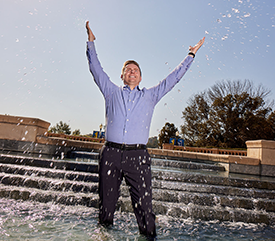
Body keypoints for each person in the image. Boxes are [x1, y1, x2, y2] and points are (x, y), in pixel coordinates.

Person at [86, 21, 204, 240]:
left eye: (136, 70)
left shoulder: (150, 95)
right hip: (110, 154)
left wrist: (190, 55)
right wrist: (91, 42)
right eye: (128, 69)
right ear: (122, 76)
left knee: (144, 206)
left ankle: (149, 237)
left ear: (140, 77)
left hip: (138, 156)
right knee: (106, 205)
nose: (132, 72)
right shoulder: (111, 92)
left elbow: (173, 78)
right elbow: (96, 69)